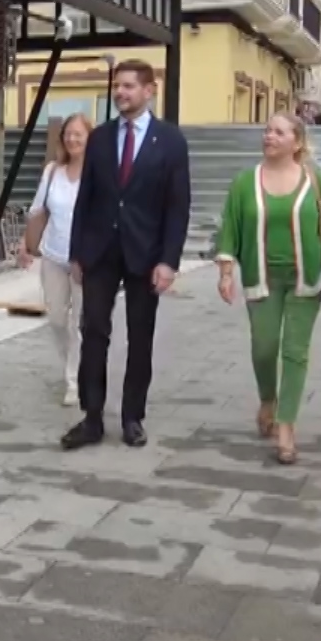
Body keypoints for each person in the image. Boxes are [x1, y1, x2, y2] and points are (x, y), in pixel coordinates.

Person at [63, 62, 192, 450]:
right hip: (100, 251)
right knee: (94, 333)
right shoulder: (100, 138)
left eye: (129, 86)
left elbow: (178, 205)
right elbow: (85, 198)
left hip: (146, 254)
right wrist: (77, 253)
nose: (121, 93)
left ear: (149, 90)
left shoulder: (170, 140)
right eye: (117, 86)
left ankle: (132, 417)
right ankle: (92, 417)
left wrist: (169, 260)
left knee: (140, 337)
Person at [214, 115, 321, 465]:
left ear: (297, 143)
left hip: (306, 279)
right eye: (267, 130)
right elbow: (231, 227)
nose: (269, 136)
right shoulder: (244, 183)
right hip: (261, 277)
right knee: (264, 347)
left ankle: (286, 426)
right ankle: (267, 398)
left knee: (295, 351)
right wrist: (226, 272)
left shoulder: (314, 182)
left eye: (278, 132)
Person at [18, 114, 92, 408]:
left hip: (85, 261)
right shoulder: (52, 171)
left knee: (81, 322)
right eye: (68, 134)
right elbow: (37, 210)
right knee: (58, 320)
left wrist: (87, 256)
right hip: (53, 255)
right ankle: (71, 367)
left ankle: (74, 380)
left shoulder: (97, 173)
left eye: (79, 134)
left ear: (90, 138)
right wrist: (26, 245)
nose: (72, 139)